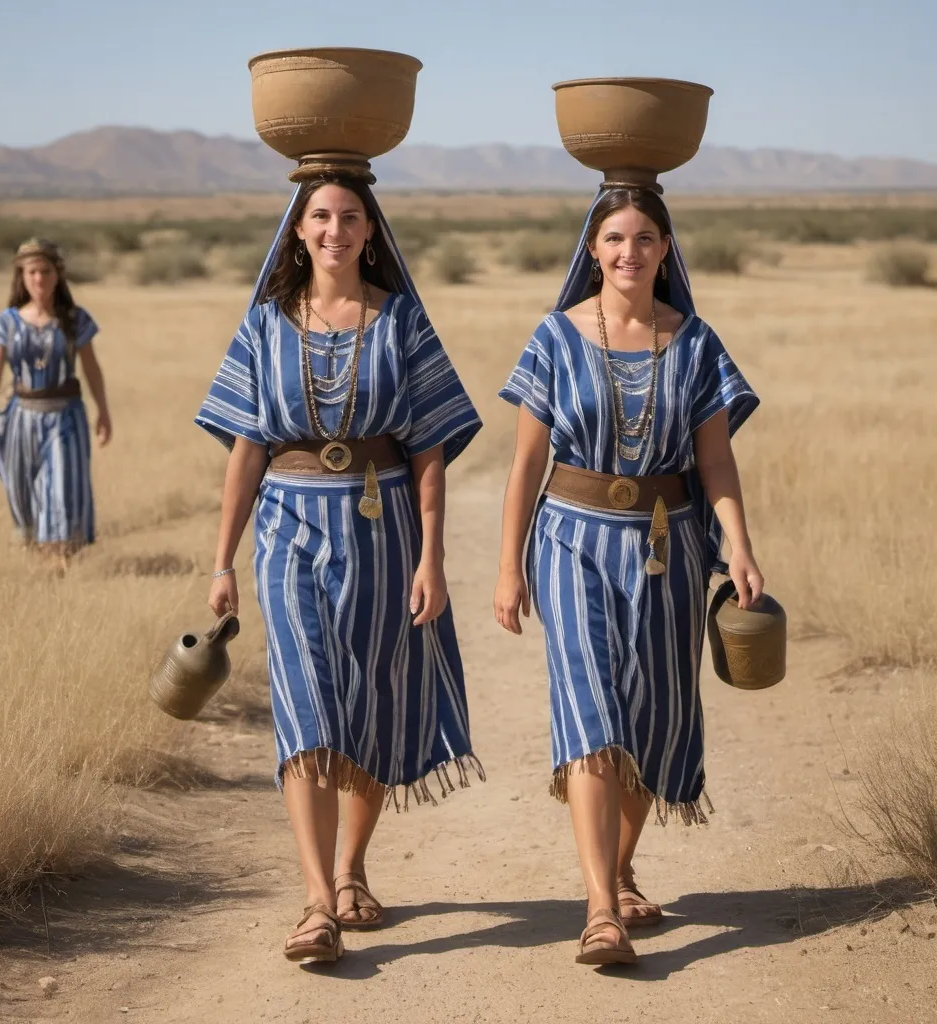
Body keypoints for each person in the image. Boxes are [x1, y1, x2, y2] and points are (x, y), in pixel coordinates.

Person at [196, 170, 483, 966]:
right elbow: (246, 450)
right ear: (296, 230)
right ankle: (318, 902)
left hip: (383, 525)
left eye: (349, 216)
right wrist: (222, 560)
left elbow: (430, 453)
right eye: (319, 215)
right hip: (287, 525)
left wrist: (432, 554)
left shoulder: (402, 325)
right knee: (306, 705)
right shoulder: (263, 326)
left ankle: (354, 868)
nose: (333, 230)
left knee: (369, 702)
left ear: (369, 231)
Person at [494, 185, 761, 967]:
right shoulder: (554, 337)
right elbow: (525, 464)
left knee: (650, 721)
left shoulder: (696, 342)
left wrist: (738, 546)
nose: (629, 252)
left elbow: (715, 460)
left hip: (669, 547)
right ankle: (601, 910)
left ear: (666, 249)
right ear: (592, 248)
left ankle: (616, 866)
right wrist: (509, 565)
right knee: (594, 715)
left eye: (646, 237)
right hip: (572, 540)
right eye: (614, 237)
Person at [0, 238, 111, 561]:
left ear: (57, 274)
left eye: (45, 271)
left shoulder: (74, 320)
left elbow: (92, 370)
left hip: (65, 419)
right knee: (23, 497)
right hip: (20, 420)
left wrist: (104, 412)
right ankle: (38, 567)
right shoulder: (8, 322)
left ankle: (59, 565)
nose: (39, 279)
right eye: (31, 272)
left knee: (61, 492)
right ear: (21, 276)